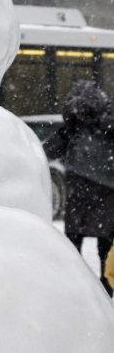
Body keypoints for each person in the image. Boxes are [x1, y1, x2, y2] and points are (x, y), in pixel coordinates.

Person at [44, 80, 114, 296]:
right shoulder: (107, 127)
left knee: (76, 246)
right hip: (103, 200)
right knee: (101, 246)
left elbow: (47, 151)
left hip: (82, 199)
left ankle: (78, 288)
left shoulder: (74, 131)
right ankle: (102, 289)